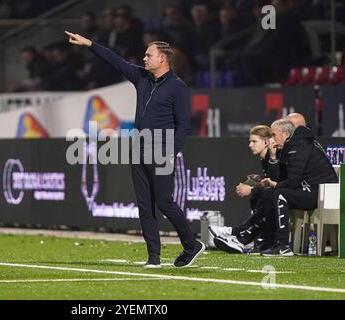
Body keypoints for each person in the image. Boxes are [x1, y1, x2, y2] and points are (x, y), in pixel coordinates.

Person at [65, 30, 204, 268]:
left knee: (164, 202)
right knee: (144, 206)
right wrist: (89, 43)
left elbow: (184, 125)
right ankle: (154, 257)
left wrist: (171, 150)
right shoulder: (141, 78)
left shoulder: (178, 87)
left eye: (149, 55)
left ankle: (192, 245)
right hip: (138, 148)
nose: (144, 59)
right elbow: (115, 60)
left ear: (163, 59)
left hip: (160, 150)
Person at [259, 119, 338, 256]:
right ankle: (271, 242)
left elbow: (292, 182)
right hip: (314, 189)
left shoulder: (298, 146)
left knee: (280, 194)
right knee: (272, 192)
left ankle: (282, 245)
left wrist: (276, 185)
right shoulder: (291, 146)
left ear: (285, 134)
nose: (272, 139)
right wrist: (273, 157)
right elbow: (280, 177)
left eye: (274, 135)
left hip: (322, 193)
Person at [209, 125, 279, 254]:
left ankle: (237, 234)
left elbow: (275, 183)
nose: (250, 145)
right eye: (250, 141)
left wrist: (252, 188)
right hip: (276, 194)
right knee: (260, 195)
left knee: (265, 195)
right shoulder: (265, 158)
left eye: (254, 141)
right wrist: (255, 182)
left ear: (265, 142)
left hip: (284, 195)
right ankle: (247, 238)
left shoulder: (273, 156)